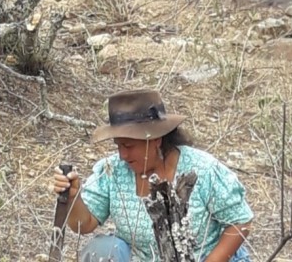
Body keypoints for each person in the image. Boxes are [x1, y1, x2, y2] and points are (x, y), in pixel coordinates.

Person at [52, 89, 254, 261]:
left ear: (155, 139)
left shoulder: (203, 169)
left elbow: (240, 220)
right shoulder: (112, 171)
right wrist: (73, 197)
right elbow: (84, 225)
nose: (122, 155)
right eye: (118, 146)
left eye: (129, 146)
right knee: (104, 249)